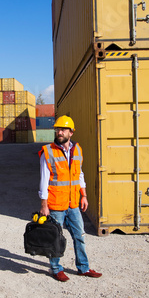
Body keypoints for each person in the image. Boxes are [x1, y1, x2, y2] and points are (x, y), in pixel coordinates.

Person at [38, 115, 102, 282]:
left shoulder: (78, 150)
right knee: (56, 237)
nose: (59, 132)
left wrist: (84, 195)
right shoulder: (48, 152)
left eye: (63, 129)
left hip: (73, 202)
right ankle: (56, 268)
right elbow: (44, 180)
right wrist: (44, 205)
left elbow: (79, 174)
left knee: (79, 235)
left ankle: (83, 267)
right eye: (57, 129)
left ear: (71, 132)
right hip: (56, 203)